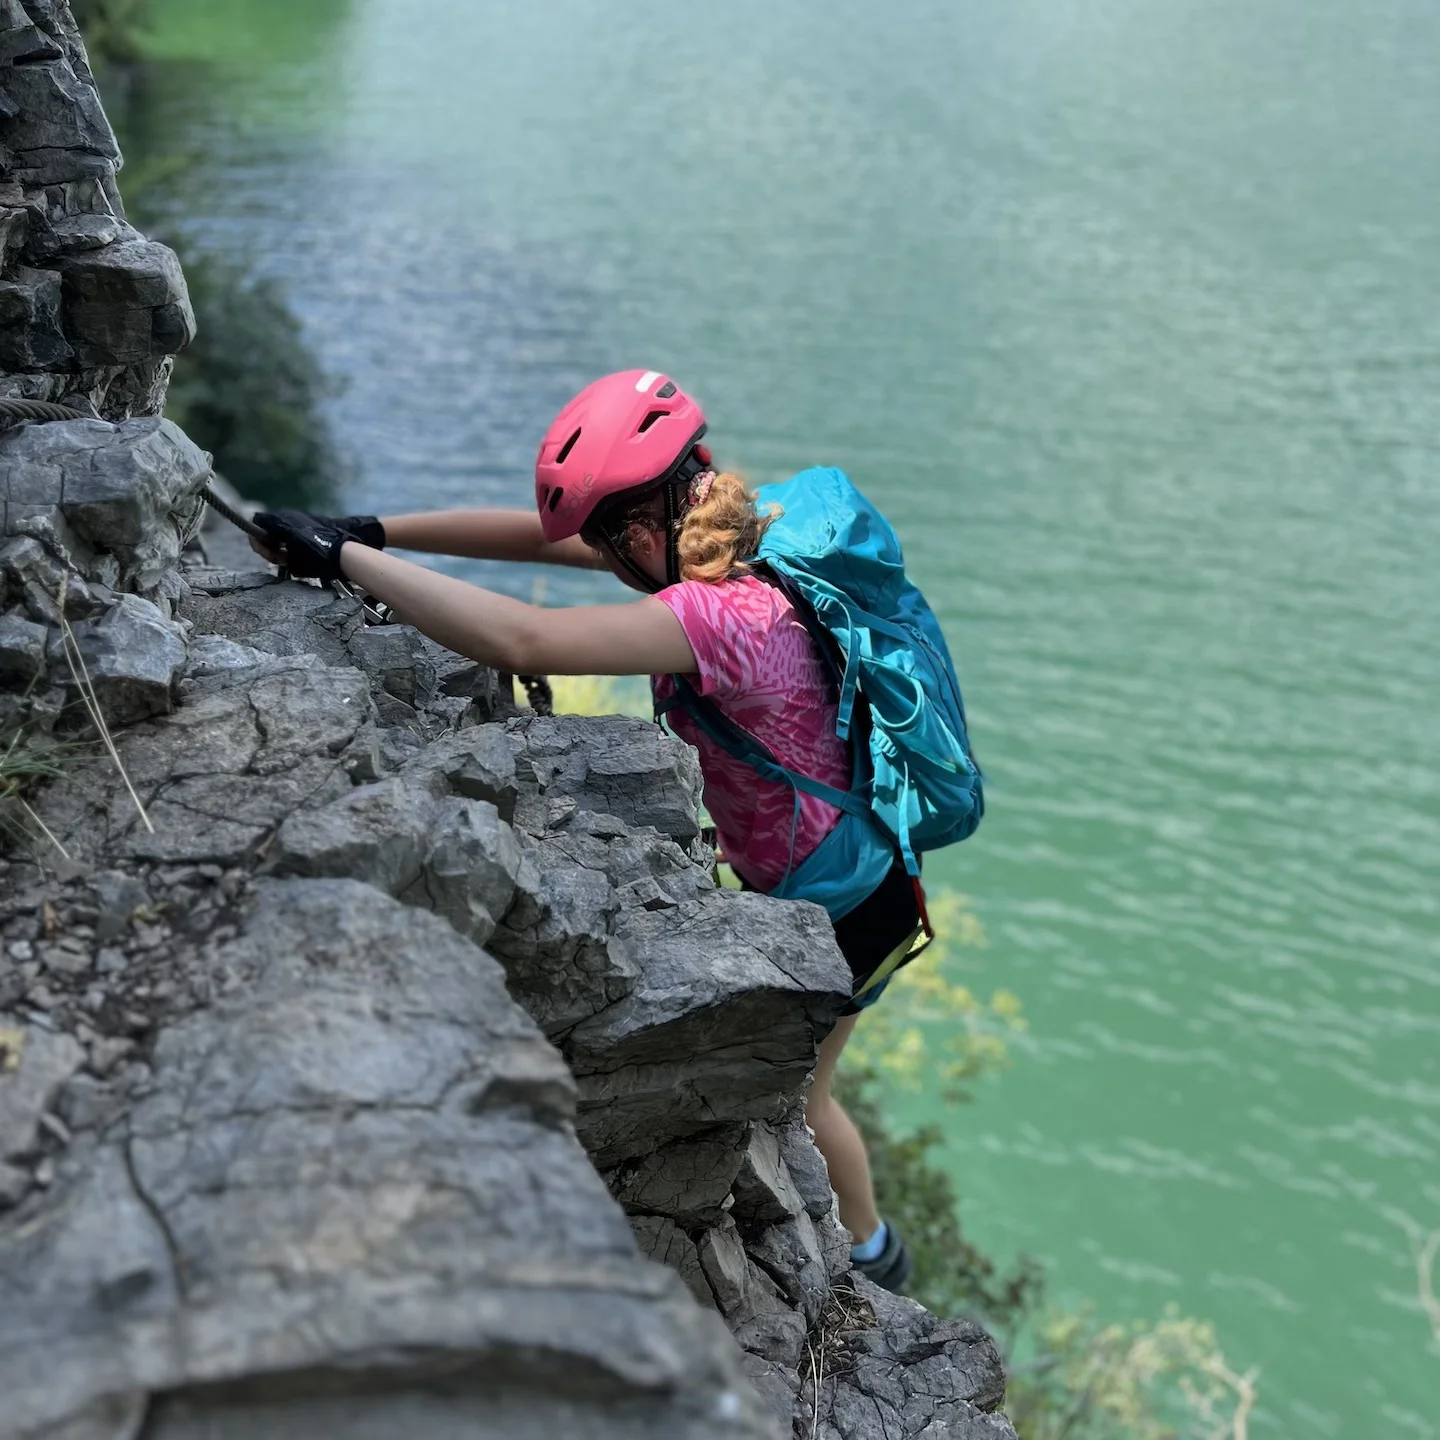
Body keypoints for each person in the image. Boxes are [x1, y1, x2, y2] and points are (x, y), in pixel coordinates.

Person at [252, 369, 930, 1292]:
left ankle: (870, 1258)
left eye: (611, 544)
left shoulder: (719, 615)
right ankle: (867, 1245)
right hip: (845, 862)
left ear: (643, 528)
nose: (601, 561)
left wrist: (346, 562)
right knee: (807, 1093)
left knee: (807, 1103)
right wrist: (375, 529)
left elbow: (525, 641)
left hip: (846, 902)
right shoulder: (739, 532)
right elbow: (544, 541)